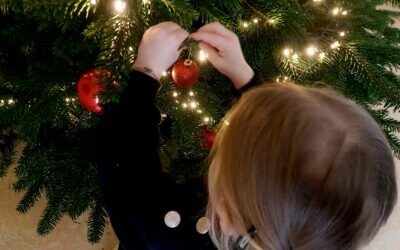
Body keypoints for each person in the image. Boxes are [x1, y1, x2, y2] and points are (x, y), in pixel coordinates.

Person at [94, 22, 397, 250]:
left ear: (224, 210)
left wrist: (145, 75)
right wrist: (245, 78)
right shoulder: (289, 230)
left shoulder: (178, 236)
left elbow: (130, 189)